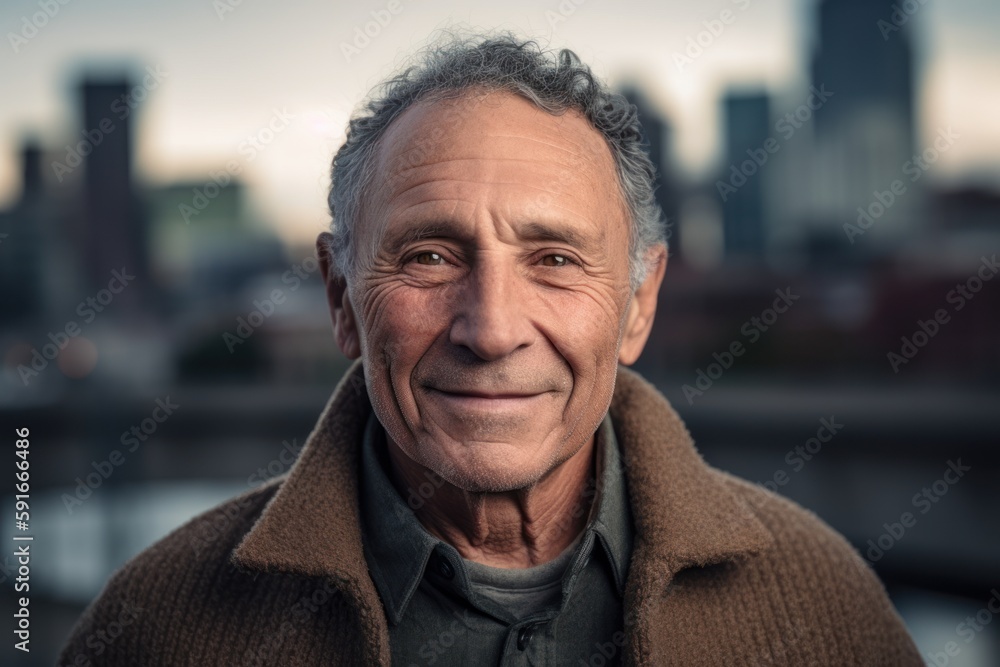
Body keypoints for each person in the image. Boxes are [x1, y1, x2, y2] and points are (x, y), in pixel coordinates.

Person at [59, 33, 922, 666]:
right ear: (341, 298)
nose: (493, 328)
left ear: (638, 304)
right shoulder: (157, 627)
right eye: (430, 257)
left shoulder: (825, 607)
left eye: (555, 260)